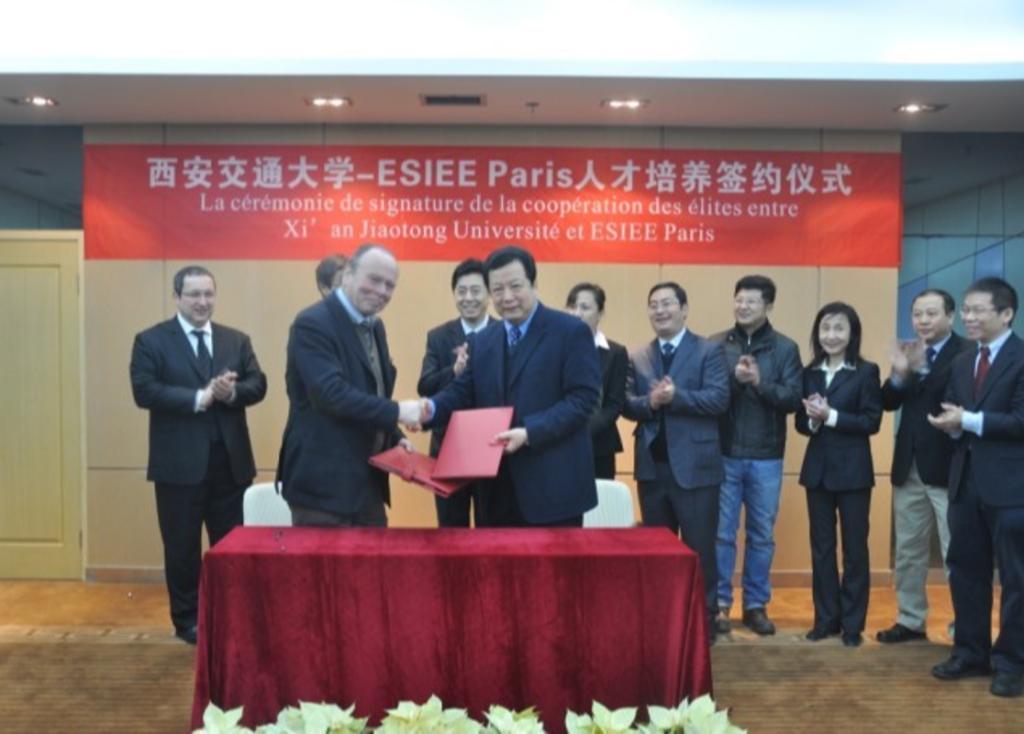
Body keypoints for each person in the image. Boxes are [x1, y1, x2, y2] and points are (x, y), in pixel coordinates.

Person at [130, 265, 267, 644]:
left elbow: (258, 384)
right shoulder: (151, 341)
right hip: (178, 468)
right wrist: (198, 398)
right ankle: (187, 621)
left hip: (231, 466)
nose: (202, 302)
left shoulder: (236, 340)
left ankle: (232, 615)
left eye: (208, 294)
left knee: (233, 547)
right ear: (176, 297)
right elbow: (144, 390)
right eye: (194, 294)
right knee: (182, 549)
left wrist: (231, 393)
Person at [424, 245, 601, 527]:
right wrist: (428, 408)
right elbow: (462, 392)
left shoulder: (570, 331)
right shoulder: (483, 340)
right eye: (497, 289)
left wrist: (529, 432)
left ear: (533, 284)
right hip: (495, 490)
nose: (507, 297)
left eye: (515, 286)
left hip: (553, 489)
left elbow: (583, 400)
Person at [278, 244, 423, 527]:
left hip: (368, 484)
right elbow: (330, 395)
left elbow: (370, 393)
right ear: (348, 275)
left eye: (390, 285)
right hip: (322, 489)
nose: (381, 291)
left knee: (375, 558)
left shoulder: (375, 326)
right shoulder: (312, 323)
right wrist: (398, 412)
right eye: (374, 279)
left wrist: (394, 436)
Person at [929, 277, 1024, 699]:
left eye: (977, 310)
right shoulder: (964, 360)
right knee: (966, 572)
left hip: (1012, 489)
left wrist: (966, 420)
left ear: (1006, 313)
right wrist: (951, 426)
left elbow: (1020, 421)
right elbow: (955, 407)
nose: (968, 317)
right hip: (965, 483)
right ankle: (970, 652)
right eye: (965, 309)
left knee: (1017, 579)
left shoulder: (1021, 357)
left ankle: (1012, 662)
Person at [623, 282, 730, 639]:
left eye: (667, 303)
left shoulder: (709, 350)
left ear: (684, 309)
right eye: (653, 305)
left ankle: (704, 622)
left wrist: (676, 396)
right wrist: (650, 403)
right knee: (659, 551)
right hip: (652, 470)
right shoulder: (638, 356)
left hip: (697, 469)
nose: (660, 310)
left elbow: (718, 399)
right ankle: (664, 623)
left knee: (700, 550)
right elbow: (627, 404)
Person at [711, 275, 802, 637]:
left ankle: (755, 605)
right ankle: (720, 604)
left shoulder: (786, 348)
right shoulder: (716, 344)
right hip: (725, 452)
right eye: (739, 300)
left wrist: (759, 383)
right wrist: (736, 381)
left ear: (769, 305)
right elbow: (711, 397)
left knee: (762, 534)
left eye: (751, 301)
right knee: (722, 533)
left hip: (767, 456)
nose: (743, 306)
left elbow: (793, 399)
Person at [877, 289, 967, 644]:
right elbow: (887, 402)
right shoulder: (910, 352)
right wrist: (900, 374)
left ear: (951, 316)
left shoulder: (967, 353)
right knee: (908, 551)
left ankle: (966, 627)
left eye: (931, 313)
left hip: (949, 468)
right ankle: (911, 619)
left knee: (956, 552)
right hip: (909, 467)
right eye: (917, 314)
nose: (923, 321)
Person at [795, 302, 881, 648]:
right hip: (817, 472)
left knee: (855, 550)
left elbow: (871, 422)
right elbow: (801, 424)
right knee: (822, 549)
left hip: (854, 474)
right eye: (825, 328)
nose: (831, 335)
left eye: (839, 328)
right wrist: (813, 419)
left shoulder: (866, 371)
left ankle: (853, 624)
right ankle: (825, 619)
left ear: (852, 333)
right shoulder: (809, 372)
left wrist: (830, 415)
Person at [417, 258, 493, 527]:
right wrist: (454, 371)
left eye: (476, 291)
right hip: (448, 448)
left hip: (491, 449)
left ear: (489, 294)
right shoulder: (438, 336)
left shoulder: (503, 333)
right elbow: (425, 386)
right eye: (461, 291)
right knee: (450, 530)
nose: (468, 298)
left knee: (491, 529)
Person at [566, 282, 627, 480]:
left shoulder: (615, 353)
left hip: (598, 446)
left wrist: (583, 430)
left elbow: (615, 404)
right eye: (572, 306)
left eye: (585, 307)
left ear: (600, 314)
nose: (577, 313)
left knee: (600, 499)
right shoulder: (555, 348)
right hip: (560, 444)